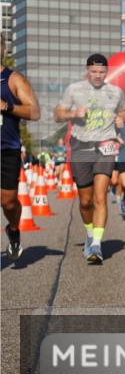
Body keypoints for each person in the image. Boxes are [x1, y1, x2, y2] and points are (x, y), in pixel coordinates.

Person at [54, 53, 125, 264]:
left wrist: (120, 120)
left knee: (99, 197)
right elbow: (58, 113)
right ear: (87, 70)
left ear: (107, 72)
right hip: (80, 147)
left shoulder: (115, 92)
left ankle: (96, 244)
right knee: (85, 202)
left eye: (102, 72)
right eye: (94, 71)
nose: (97, 75)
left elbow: (122, 110)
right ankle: (89, 234)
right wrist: (73, 114)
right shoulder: (74, 90)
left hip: (106, 145)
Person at [1, 49, 41, 261]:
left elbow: (34, 112)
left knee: (8, 202)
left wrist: (6, 106)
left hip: (6, 149)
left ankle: (14, 229)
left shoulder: (13, 79)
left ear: (3, 50)